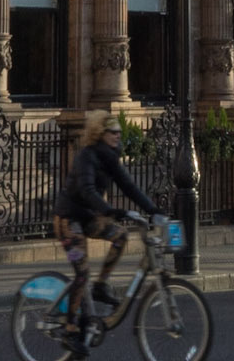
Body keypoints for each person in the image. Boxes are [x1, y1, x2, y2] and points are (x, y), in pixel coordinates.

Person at [52, 111, 157, 351]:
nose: (118, 135)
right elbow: (88, 190)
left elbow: (129, 186)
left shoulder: (110, 158)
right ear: (101, 133)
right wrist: (111, 210)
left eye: (119, 132)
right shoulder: (86, 157)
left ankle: (100, 286)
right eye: (113, 131)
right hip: (68, 221)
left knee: (120, 235)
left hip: (88, 218)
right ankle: (70, 330)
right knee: (81, 274)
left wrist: (153, 209)